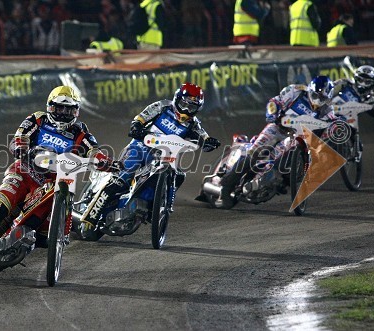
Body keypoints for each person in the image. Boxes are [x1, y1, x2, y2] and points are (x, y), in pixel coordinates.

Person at [0, 86, 120, 267]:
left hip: (52, 183)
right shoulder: (38, 119)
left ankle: (16, 242)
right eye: (59, 108)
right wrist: (23, 148)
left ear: (76, 111)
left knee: (41, 226)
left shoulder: (81, 132)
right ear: (50, 106)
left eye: (68, 109)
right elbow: (20, 136)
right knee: (2, 202)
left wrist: (108, 163)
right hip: (24, 172)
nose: (63, 113)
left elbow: (94, 151)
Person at [78, 82, 221, 236]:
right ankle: (89, 219)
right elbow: (142, 117)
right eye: (183, 104)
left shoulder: (194, 125)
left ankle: (158, 207)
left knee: (179, 175)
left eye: (191, 107)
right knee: (121, 177)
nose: (186, 110)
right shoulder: (163, 106)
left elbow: (204, 137)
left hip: (165, 158)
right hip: (140, 148)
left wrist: (209, 143)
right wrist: (137, 126)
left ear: (197, 109)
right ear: (177, 99)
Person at [216, 76, 337, 208]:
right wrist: (273, 114)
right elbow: (274, 102)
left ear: (328, 98)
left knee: (296, 157)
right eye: (315, 95)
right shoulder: (295, 91)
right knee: (255, 151)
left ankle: (279, 181)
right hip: (278, 128)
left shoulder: (328, 110)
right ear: (310, 90)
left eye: (322, 98)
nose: (317, 100)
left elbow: (333, 124)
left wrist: (336, 128)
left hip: (298, 137)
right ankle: (225, 189)